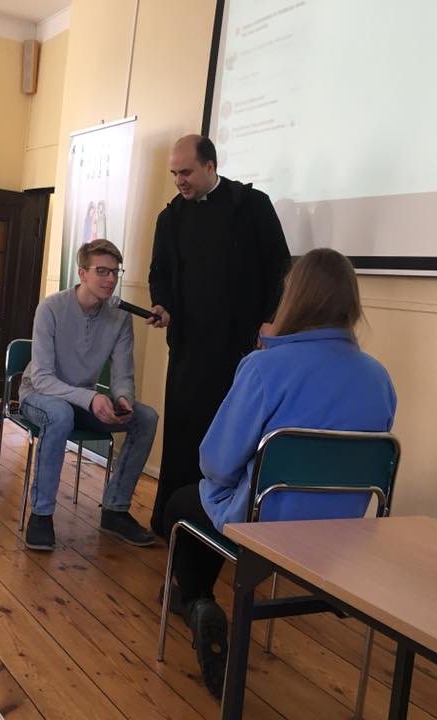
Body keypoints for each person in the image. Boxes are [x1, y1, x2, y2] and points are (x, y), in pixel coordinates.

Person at [162, 248, 397, 697]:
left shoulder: (264, 367)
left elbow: (215, 462)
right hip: (342, 534)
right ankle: (196, 600)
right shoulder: (379, 378)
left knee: (183, 502)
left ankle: (198, 601)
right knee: (218, 501)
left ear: (294, 297)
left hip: (266, 529)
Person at [147, 134, 291, 537]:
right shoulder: (170, 218)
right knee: (184, 435)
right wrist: (162, 304)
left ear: (210, 166)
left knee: (231, 437)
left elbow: (280, 267)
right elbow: (160, 273)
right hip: (189, 349)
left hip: (240, 348)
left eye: (186, 172)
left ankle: (226, 528)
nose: (179, 181)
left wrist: (270, 320)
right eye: (174, 173)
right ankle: (173, 522)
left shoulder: (251, 205)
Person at [19, 239, 159, 551]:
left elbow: (123, 375)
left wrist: (123, 399)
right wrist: (90, 399)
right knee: (60, 414)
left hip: (82, 398)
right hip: (38, 394)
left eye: (115, 272)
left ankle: (115, 511)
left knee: (146, 417)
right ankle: (41, 515)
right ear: (82, 273)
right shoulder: (51, 308)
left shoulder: (120, 316)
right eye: (102, 271)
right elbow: (42, 378)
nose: (110, 279)